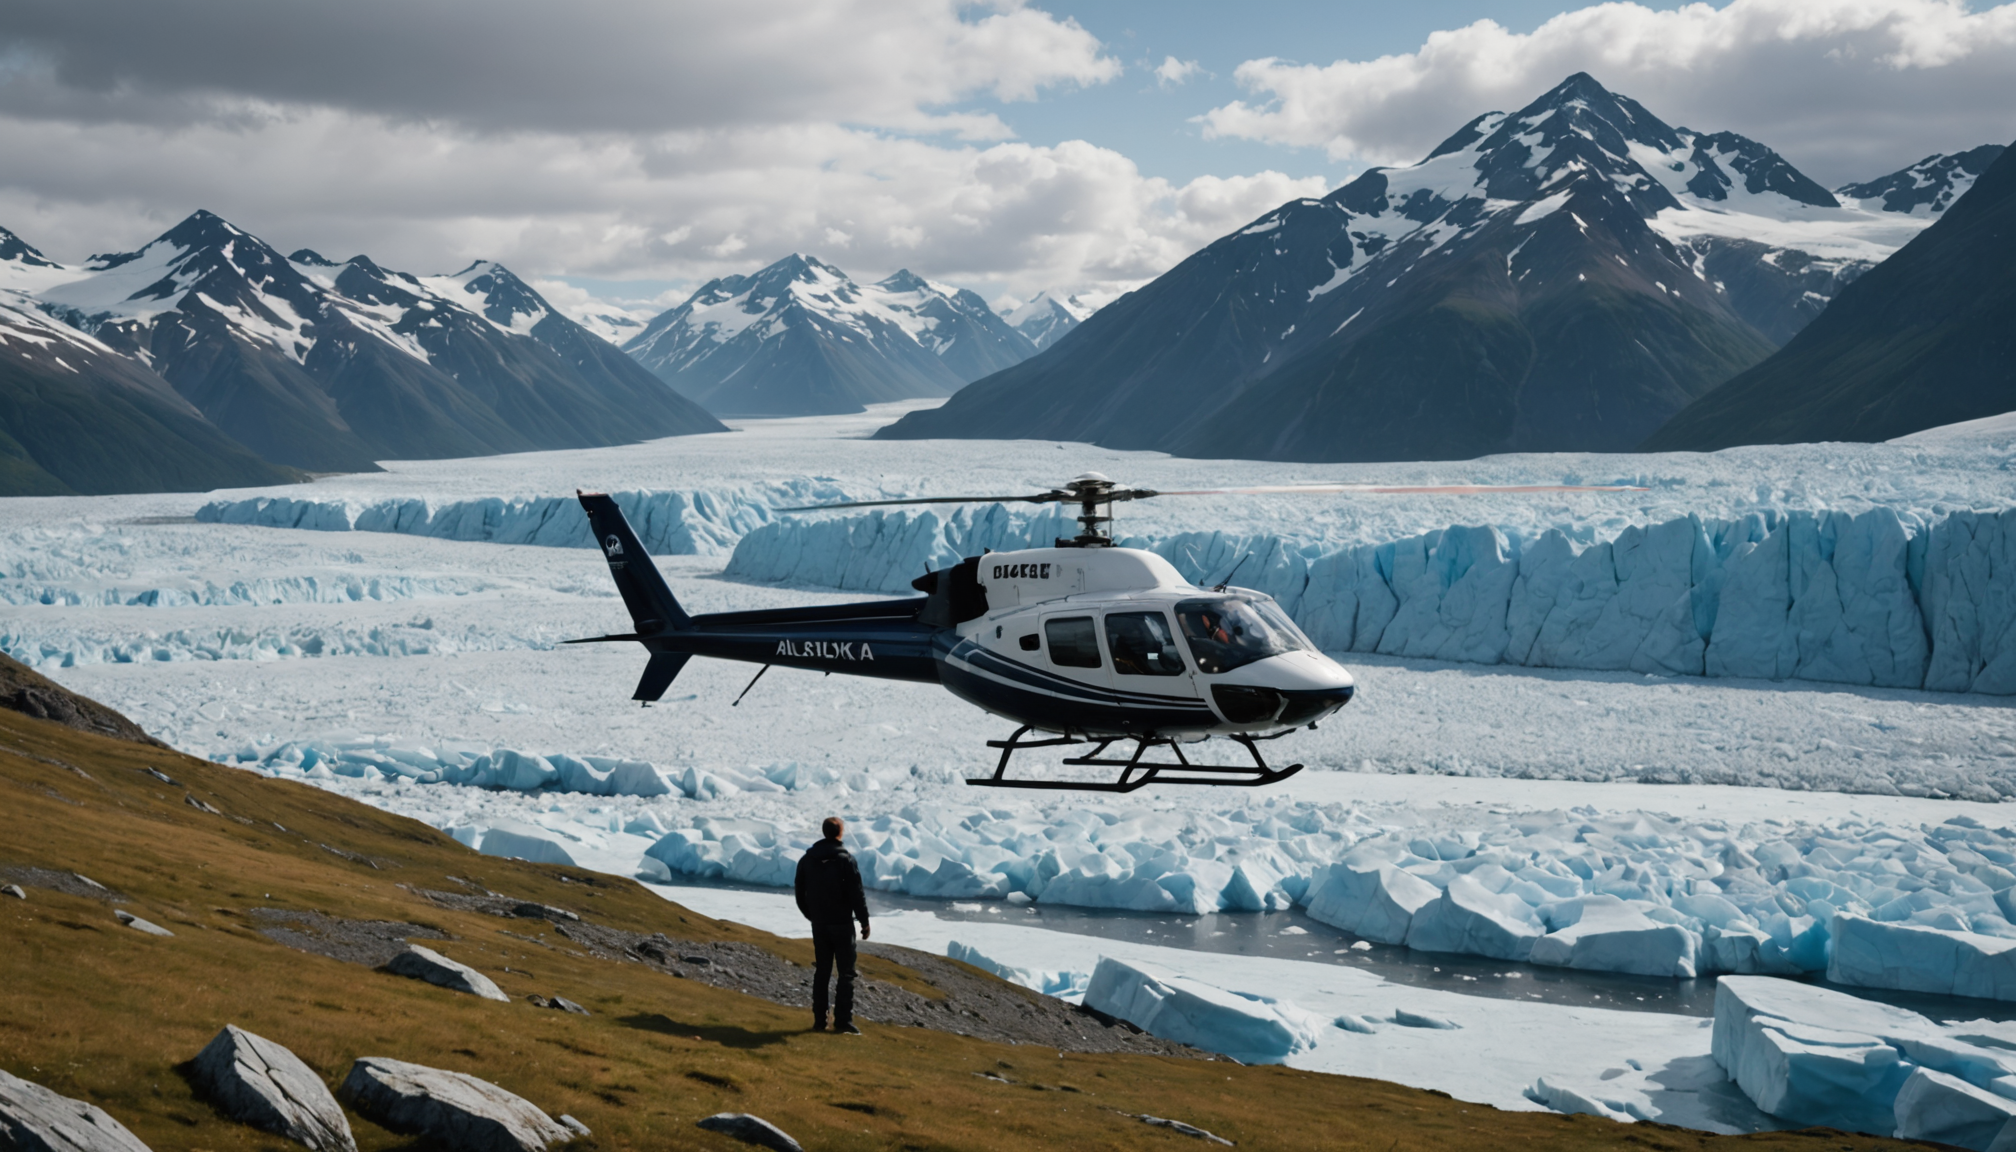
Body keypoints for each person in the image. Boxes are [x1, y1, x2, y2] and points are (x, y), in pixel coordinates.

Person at [794, 815, 870, 1033]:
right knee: (846, 973)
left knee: (823, 972)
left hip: (819, 924)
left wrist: (811, 915)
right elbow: (857, 894)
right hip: (842, 924)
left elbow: (799, 891)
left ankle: (820, 1021)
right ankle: (843, 1021)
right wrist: (864, 921)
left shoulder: (807, 859)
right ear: (840, 833)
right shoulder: (846, 860)